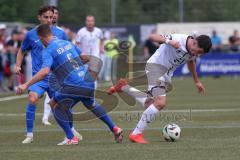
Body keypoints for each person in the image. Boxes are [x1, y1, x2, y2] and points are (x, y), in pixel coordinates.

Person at [16, 24, 123, 145]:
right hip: (87, 81)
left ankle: (71, 137)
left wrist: (26, 85)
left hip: (73, 85)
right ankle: (114, 128)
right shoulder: (66, 43)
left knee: (54, 104)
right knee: (90, 104)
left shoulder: (48, 50)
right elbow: (83, 58)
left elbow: (44, 72)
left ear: (41, 37)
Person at [108, 33, 212, 144]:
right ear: (195, 42)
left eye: (200, 53)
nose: (198, 54)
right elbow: (152, 36)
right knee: (160, 103)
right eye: (199, 51)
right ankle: (136, 133)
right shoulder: (178, 39)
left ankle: (123, 87)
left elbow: (191, 61)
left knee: (150, 104)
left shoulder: (193, 52)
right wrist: (169, 41)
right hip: (155, 67)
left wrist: (197, 81)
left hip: (166, 75)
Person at [14, 6, 75, 144]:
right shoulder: (31, 34)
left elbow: (69, 50)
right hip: (39, 78)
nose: (49, 20)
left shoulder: (60, 33)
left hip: (56, 77)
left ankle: (71, 132)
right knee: (32, 98)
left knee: (62, 106)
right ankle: (29, 135)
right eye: (45, 17)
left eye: (50, 17)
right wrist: (17, 64)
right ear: (39, 17)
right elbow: (21, 50)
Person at [75, 15, 104, 86]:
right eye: (88, 21)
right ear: (86, 22)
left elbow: (102, 40)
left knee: (93, 74)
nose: (90, 23)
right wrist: (79, 54)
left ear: (94, 22)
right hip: (84, 57)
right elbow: (77, 43)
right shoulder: (81, 32)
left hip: (95, 56)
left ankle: (93, 91)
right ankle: (84, 90)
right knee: (83, 75)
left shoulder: (98, 31)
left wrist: (101, 48)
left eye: (91, 21)